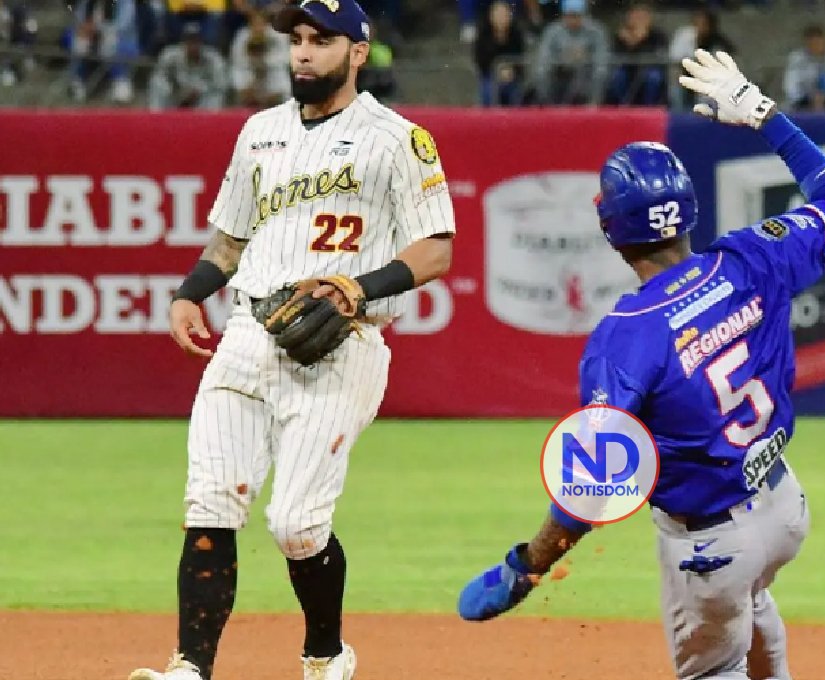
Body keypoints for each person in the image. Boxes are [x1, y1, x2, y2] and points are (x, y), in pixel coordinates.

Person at [457, 49, 825, 680]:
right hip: (784, 506)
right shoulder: (753, 257)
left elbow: (591, 487)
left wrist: (527, 566)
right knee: (752, 606)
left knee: (712, 668)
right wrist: (764, 116)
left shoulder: (625, 339)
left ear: (611, 230)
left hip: (709, 543)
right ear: (689, 209)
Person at [127, 0, 456, 679]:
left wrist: (359, 287)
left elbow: (436, 250)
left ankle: (327, 656)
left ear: (358, 52)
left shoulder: (397, 138)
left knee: (295, 523)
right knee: (210, 500)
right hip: (249, 330)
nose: (303, 52)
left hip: (344, 342)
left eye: (322, 40)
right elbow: (230, 238)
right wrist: (191, 294)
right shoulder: (259, 133)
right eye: (297, 39)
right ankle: (190, 667)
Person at [532, 0, 610, 105]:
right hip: (559, 76)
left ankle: (593, 104)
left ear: (584, 15)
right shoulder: (552, 31)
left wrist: (586, 58)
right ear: (563, 15)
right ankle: (549, 107)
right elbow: (544, 58)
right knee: (541, 73)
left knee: (600, 72)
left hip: (587, 75)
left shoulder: (596, 31)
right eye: (569, 16)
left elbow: (602, 59)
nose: (573, 20)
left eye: (576, 16)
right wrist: (562, 59)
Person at [147, 21, 228, 110]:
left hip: (201, 100)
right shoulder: (170, 55)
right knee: (156, 84)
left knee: (216, 95)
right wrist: (175, 91)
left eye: (196, 41)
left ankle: (210, 122)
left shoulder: (213, 58)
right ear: (183, 42)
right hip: (175, 97)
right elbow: (159, 78)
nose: (193, 45)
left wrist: (200, 89)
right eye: (189, 41)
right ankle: (159, 119)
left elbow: (221, 82)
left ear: (201, 42)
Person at [608, 2, 668, 106]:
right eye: (635, 16)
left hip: (649, 70)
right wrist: (630, 43)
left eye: (642, 17)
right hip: (627, 70)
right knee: (617, 77)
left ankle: (649, 108)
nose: (638, 20)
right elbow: (616, 57)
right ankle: (623, 107)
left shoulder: (658, 35)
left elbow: (658, 56)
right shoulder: (621, 36)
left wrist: (641, 40)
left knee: (654, 78)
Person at [474, 0, 528, 106]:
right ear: (491, 16)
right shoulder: (484, 34)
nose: (502, 18)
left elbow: (520, 58)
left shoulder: (516, 34)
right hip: (489, 75)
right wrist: (497, 71)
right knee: (489, 91)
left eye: (504, 14)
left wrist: (512, 71)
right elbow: (480, 59)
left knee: (516, 92)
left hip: (511, 76)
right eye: (498, 15)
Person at [783, 24, 825, 112]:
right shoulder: (797, 59)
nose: (817, 45)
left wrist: (824, 96)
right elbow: (791, 87)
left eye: (819, 42)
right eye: (813, 42)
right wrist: (810, 97)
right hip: (802, 104)